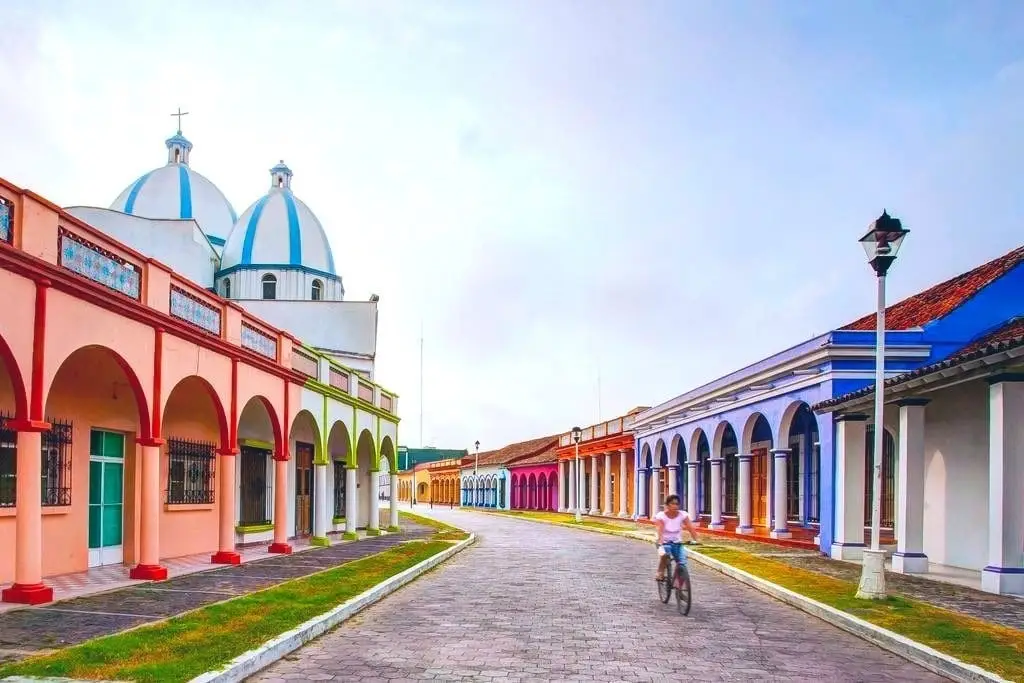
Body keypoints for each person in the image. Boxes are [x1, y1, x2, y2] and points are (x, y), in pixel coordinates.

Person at [653, 493, 699, 581]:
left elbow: (690, 527)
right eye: (672, 504)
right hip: (663, 541)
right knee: (664, 555)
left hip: (677, 542)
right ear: (667, 505)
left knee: (682, 562)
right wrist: (661, 541)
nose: (675, 506)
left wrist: (696, 539)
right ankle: (660, 571)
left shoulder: (683, 515)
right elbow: (660, 530)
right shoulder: (661, 516)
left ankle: (680, 588)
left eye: (677, 504)